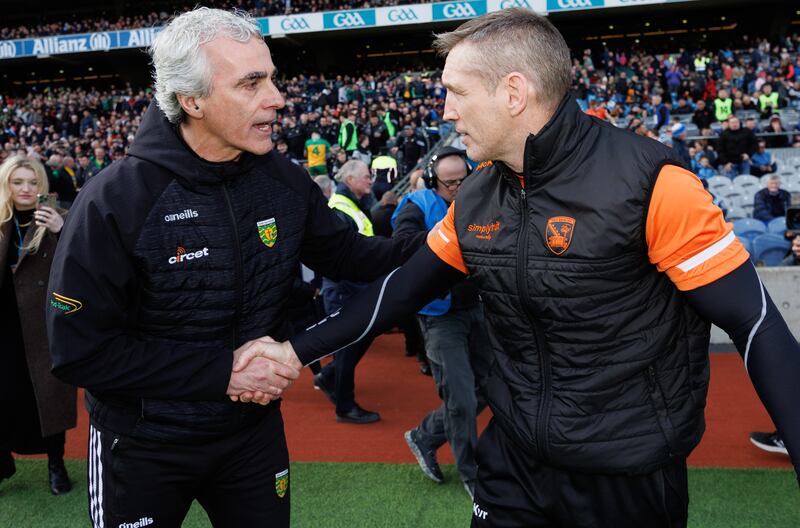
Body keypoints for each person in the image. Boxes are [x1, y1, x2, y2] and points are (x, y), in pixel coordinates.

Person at [240, 9, 800, 527]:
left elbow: (757, 327)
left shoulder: (654, 183)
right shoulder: (477, 197)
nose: (446, 112)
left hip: (625, 471)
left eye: (456, 92)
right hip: (512, 459)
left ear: (514, 92)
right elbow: (400, 292)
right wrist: (293, 352)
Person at [45, 9, 422, 528]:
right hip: (140, 445)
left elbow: (351, 257)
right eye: (251, 83)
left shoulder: (283, 179)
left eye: (271, 77)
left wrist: (448, 240)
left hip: (252, 434)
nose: (277, 98)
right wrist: (224, 372)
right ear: (192, 100)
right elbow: (78, 352)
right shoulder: (115, 200)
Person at [392, 147, 490, 499]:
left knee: (488, 387)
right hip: (439, 316)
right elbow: (402, 244)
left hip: (477, 308)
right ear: (434, 182)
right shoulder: (417, 205)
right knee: (461, 399)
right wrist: (447, 235)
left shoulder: (479, 195)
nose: (459, 189)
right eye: (451, 184)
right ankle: (471, 473)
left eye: (463, 180)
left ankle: (426, 435)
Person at [0, 155, 75, 495]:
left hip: (44, 326)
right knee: (5, 395)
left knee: (48, 396)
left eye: (33, 182)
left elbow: (85, 261)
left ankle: (55, 463)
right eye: (18, 182)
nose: (26, 189)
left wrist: (63, 231)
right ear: (7, 185)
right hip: (4, 327)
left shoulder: (60, 219)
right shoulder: (0, 222)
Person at [313, 160, 382, 424]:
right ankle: (345, 407)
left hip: (352, 287)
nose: (370, 180)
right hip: (348, 289)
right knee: (348, 348)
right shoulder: (341, 208)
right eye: (366, 176)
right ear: (350, 179)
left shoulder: (350, 204)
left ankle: (329, 376)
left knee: (354, 344)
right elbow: (344, 258)